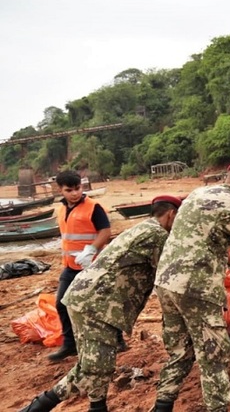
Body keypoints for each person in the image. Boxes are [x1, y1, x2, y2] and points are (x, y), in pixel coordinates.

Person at [17, 195, 182, 412]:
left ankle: (97, 407)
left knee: (96, 364)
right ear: (171, 214)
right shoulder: (157, 235)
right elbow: (169, 275)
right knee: (93, 368)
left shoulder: (143, 227)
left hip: (90, 300)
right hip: (96, 305)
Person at [151, 160, 230, 412]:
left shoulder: (195, 194)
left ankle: (162, 405)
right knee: (214, 354)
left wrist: (229, 260)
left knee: (180, 349)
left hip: (165, 282)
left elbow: (197, 236)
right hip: (197, 288)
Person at [48, 170, 113, 362]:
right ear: (60, 190)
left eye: (78, 189)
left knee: (100, 305)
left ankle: (117, 341)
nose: (75, 193)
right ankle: (70, 345)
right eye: (69, 190)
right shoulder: (61, 209)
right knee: (61, 303)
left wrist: (92, 250)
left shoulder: (94, 207)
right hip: (70, 265)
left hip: (93, 265)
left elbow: (106, 230)